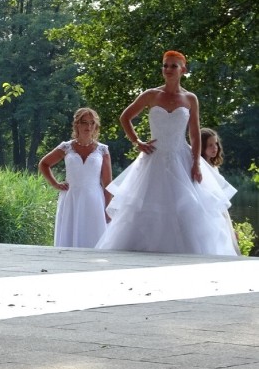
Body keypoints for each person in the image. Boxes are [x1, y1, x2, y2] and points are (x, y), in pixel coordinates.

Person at [95, 51, 237, 256]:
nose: (168, 70)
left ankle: (187, 255)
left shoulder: (190, 98)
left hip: (181, 156)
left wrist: (196, 163)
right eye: (165, 65)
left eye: (173, 66)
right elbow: (125, 117)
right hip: (154, 157)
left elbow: (195, 135)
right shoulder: (151, 95)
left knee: (188, 207)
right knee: (144, 206)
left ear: (183, 70)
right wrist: (137, 142)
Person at [39, 108, 112, 248]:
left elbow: (107, 182)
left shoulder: (102, 150)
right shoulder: (66, 147)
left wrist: (108, 207)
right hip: (71, 198)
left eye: (92, 123)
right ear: (77, 124)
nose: (89, 127)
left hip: (94, 199)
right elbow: (44, 164)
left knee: (95, 237)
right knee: (69, 238)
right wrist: (55, 184)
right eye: (84, 122)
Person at [201, 127, 239, 253]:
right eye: (210, 145)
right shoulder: (201, 166)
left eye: (216, 143)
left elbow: (221, 199)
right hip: (208, 214)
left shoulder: (213, 166)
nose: (215, 148)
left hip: (219, 212)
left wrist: (230, 227)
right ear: (201, 147)